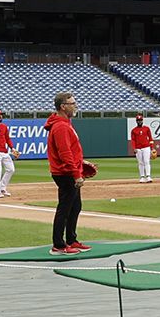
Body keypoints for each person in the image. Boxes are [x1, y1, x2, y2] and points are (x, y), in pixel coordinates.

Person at [46, 94, 93, 255]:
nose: (76, 106)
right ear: (63, 106)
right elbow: (64, 152)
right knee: (65, 209)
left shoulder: (65, 123)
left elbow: (71, 151)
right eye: (72, 103)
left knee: (75, 207)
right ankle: (58, 244)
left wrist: (81, 163)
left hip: (68, 170)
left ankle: (71, 240)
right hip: (65, 173)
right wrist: (76, 173)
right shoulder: (61, 126)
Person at [129, 115, 155, 182]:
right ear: (136, 121)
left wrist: (152, 148)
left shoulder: (146, 128)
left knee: (147, 161)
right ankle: (142, 177)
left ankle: (148, 176)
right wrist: (134, 148)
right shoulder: (134, 130)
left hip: (146, 147)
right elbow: (133, 140)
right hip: (138, 148)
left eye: (140, 120)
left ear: (142, 121)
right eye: (138, 120)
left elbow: (150, 138)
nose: (139, 122)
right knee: (140, 163)